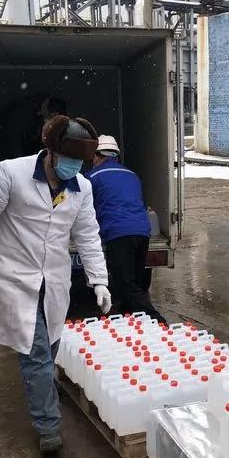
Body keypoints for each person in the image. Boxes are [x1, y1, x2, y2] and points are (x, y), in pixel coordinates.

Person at [0, 115, 112, 456]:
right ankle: (48, 427)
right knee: (36, 353)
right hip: (15, 279)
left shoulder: (81, 188)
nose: (74, 167)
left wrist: (99, 280)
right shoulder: (10, 174)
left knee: (49, 349)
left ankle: (43, 392)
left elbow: (88, 235)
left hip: (54, 281)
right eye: (69, 159)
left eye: (80, 162)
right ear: (51, 151)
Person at [85, 134, 166, 324]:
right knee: (134, 282)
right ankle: (127, 319)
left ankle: (157, 321)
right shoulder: (132, 175)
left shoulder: (92, 177)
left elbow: (83, 207)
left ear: (96, 156)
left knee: (125, 284)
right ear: (115, 155)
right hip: (142, 232)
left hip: (119, 233)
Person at [0, 95, 67, 166]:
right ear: (53, 113)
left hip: (3, 143)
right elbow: (13, 139)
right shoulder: (27, 114)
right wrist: (19, 164)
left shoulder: (37, 114)